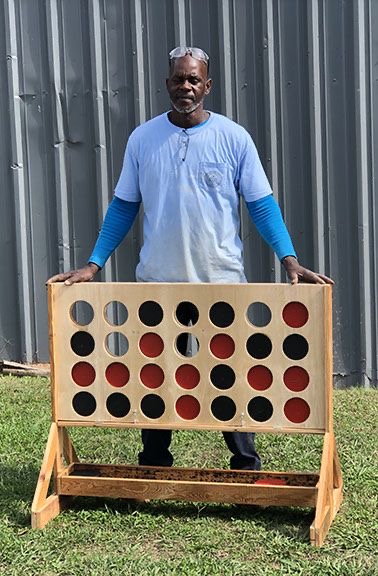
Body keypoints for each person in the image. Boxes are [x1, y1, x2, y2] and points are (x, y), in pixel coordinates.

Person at [48, 47, 333, 471]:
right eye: (179, 79)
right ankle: (155, 464)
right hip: (158, 283)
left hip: (220, 283)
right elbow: (124, 206)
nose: (186, 87)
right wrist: (94, 263)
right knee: (156, 375)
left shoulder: (234, 138)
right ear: (167, 85)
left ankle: (244, 467)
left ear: (208, 86)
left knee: (228, 373)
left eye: (194, 80)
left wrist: (288, 258)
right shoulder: (143, 139)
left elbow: (261, 204)